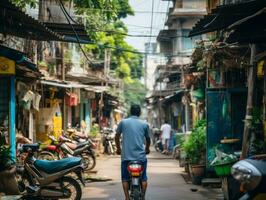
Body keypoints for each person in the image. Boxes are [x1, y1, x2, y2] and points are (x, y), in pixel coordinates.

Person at [115, 104, 151, 200]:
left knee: (125, 178)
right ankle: (143, 197)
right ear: (139, 113)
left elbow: (117, 136)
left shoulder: (123, 122)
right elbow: (148, 139)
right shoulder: (144, 124)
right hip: (140, 157)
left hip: (126, 157)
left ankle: (127, 197)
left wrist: (118, 149)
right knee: (143, 178)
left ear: (130, 112)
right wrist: (147, 149)